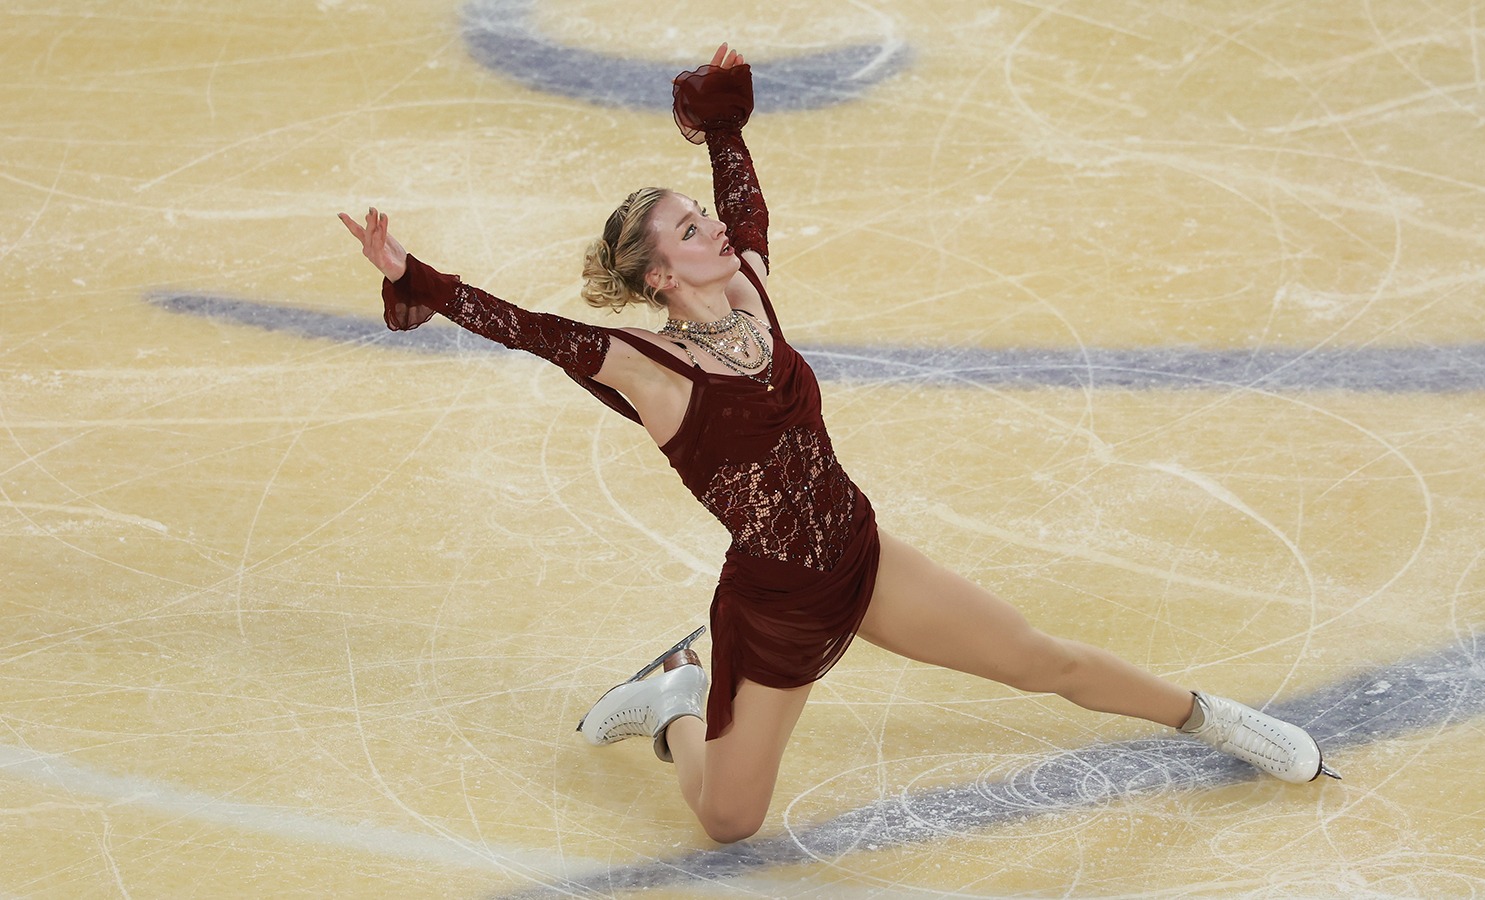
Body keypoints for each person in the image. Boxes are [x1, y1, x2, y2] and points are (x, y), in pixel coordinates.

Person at [340, 43, 1338, 845]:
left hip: (859, 558)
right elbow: (524, 326)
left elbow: (745, 203)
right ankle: (676, 697)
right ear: (655, 276)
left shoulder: (747, 294)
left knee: (1044, 660)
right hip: (771, 609)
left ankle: (1216, 719)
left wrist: (723, 129)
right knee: (728, 822)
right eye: (690, 231)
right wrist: (414, 273)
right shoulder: (642, 366)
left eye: (702, 219)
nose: (714, 232)